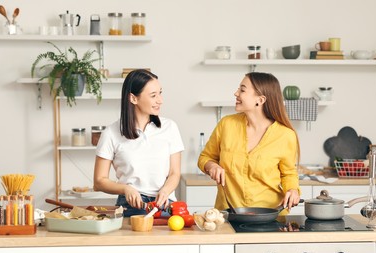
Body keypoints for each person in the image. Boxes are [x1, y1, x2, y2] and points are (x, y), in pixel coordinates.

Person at [198, 72, 301, 214]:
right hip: (228, 214)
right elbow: (205, 158)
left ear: (260, 99)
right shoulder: (226, 124)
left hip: (269, 216)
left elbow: (288, 173)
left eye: (242, 89)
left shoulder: (285, 135)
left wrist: (292, 190)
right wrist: (212, 166)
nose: (236, 93)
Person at [93, 69, 184, 217]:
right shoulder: (111, 133)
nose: (160, 100)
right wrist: (125, 189)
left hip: (165, 203)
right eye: (153, 95)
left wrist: (165, 191)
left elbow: (175, 173)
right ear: (133, 98)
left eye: (160, 93)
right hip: (131, 205)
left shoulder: (170, 127)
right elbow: (99, 181)